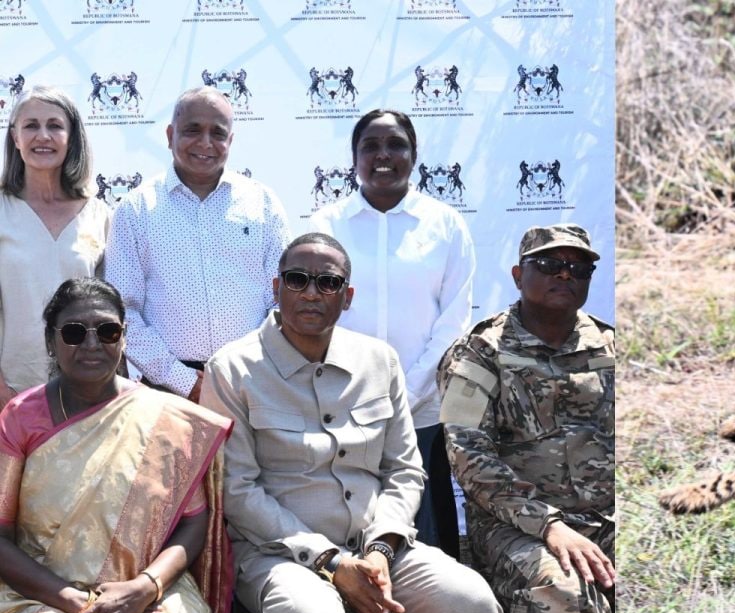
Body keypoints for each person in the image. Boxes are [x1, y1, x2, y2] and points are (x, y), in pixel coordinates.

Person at [201, 232, 502, 613]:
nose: (311, 292)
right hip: (279, 556)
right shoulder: (232, 369)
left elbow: (403, 470)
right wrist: (332, 562)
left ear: (347, 297)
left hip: (380, 551)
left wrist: (380, 549)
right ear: (275, 287)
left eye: (328, 283)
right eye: (297, 279)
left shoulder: (380, 361)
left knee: (472, 603)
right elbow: (239, 491)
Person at [0, 277, 234, 613]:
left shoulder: (165, 419)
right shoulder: (21, 418)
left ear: (124, 337)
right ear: (51, 341)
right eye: (75, 333)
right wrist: (77, 601)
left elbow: (195, 522)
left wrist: (145, 588)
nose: (92, 344)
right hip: (41, 591)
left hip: (148, 591)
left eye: (107, 331)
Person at [437, 224, 616, 613]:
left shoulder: (611, 345)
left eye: (578, 268)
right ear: (519, 275)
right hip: (517, 527)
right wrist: (549, 525)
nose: (564, 275)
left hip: (608, 518)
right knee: (558, 592)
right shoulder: (479, 353)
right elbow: (469, 459)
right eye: (549, 265)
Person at [309, 108, 474, 558]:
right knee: (345, 521)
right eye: (371, 146)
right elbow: (312, 314)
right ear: (354, 158)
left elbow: (453, 324)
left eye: (396, 144)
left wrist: (403, 392)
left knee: (429, 534)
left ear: (414, 154)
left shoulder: (445, 226)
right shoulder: (327, 227)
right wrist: (357, 391)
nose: (384, 155)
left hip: (422, 409)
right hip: (342, 404)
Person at [105, 86, 290, 403]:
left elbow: (284, 299)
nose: (205, 143)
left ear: (230, 141)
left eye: (218, 133)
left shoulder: (263, 203)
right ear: (169, 134)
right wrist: (183, 380)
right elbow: (122, 312)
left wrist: (251, 371)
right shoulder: (135, 210)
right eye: (192, 130)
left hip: (256, 385)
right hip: (166, 392)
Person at [0, 85, 110, 407]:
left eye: (55, 125)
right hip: (11, 395)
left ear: (72, 137)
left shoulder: (99, 214)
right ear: (15, 138)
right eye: (31, 125)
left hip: (85, 394)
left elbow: (112, 313)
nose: (43, 136)